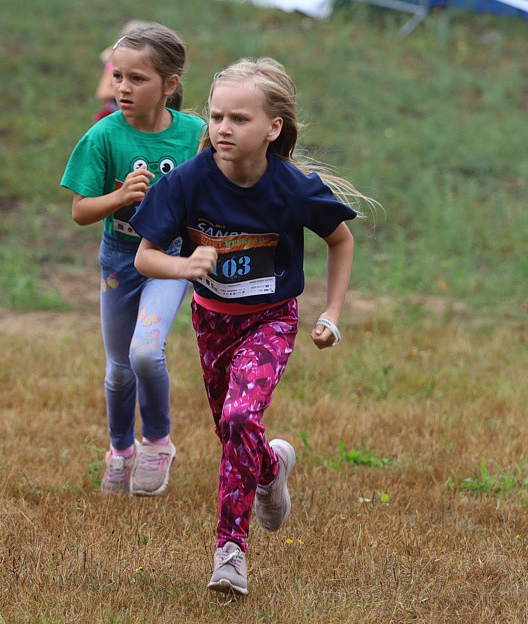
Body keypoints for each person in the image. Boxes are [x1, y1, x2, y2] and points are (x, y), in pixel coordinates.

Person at [131, 57, 378, 595]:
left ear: (274, 128)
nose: (223, 128)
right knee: (232, 431)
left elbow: (340, 239)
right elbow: (146, 258)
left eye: (239, 119)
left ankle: (230, 552)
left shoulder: (292, 188)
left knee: (242, 415)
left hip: (271, 320)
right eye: (217, 116)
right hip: (212, 322)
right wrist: (184, 266)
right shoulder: (187, 183)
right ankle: (271, 466)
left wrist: (331, 313)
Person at [60, 23, 204, 497]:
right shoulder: (103, 136)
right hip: (119, 260)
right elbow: (81, 211)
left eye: (137, 79)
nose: (123, 87)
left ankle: (157, 443)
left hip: (169, 259)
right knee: (118, 368)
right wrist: (119, 195)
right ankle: (120, 451)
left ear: (170, 84)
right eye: (118, 76)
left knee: (145, 351)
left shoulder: (196, 136)